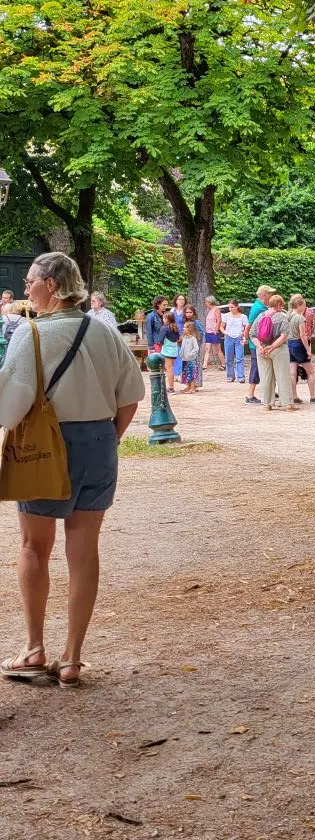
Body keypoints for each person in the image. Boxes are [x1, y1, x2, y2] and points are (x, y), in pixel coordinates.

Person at [0, 252, 144, 689]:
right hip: (99, 441)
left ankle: (34, 648)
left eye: (31, 281)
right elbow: (131, 394)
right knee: (84, 549)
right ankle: (72, 657)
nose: (26, 288)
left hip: (47, 447)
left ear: (52, 284)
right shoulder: (103, 332)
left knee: (33, 548)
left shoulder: (31, 336)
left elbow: (9, 407)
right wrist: (106, 439)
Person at [255, 294, 295, 411]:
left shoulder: (260, 316)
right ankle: (287, 403)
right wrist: (272, 346)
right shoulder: (281, 317)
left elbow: (252, 335)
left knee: (265, 377)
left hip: (262, 350)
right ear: (278, 305)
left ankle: (267, 404)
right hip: (278, 349)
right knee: (282, 376)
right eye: (281, 305)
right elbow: (284, 335)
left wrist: (260, 347)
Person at [287, 294, 315, 404]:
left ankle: (294, 396)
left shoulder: (288, 316)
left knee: (292, 372)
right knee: (310, 372)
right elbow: (303, 335)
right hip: (298, 344)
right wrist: (307, 349)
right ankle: (313, 396)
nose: (304, 308)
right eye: (303, 305)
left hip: (290, 344)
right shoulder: (300, 317)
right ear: (299, 305)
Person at [244, 285, 273, 405]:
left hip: (260, 342)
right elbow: (249, 325)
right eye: (270, 294)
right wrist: (246, 338)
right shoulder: (257, 308)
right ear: (264, 295)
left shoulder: (261, 306)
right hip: (256, 343)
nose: (271, 296)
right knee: (256, 368)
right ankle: (250, 395)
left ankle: (270, 391)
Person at [222, 299, 247, 383]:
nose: (230, 309)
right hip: (229, 337)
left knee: (239, 357)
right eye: (229, 307)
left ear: (237, 307)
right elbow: (221, 326)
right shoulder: (226, 316)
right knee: (228, 358)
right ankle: (230, 375)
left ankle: (241, 376)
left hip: (238, 337)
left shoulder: (243, 316)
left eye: (232, 307)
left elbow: (246, 327)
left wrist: (243, 334)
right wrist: (224, 332)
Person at [157, 309, 180, 393]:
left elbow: (160, 340)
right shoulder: (175, 327)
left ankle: (171, 387)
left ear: (166, 319)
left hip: (166, 350)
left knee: (169, 369)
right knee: (171, 368)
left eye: (163, 318)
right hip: (174, 350)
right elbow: (177, 339)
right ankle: (170, 386)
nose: (163, 319)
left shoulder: (164, 328)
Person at [203, 296, 224, 371]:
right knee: (207, 348)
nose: (205, 303)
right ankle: (204, 365)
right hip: (208, 332)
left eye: (206, 302)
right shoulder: (210, 310)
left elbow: (219, 320)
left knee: (218, 349)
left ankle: (223, 364)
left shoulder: (216, 309)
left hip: (214, 332)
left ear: (210, 302)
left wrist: (216, 329)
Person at [179, 321, 201, 393]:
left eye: (185, 327)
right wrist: (181, 354)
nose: (183, 328)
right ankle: (188, 387)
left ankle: (192, 388)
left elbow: (196, 348)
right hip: (184, 359)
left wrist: (190, 354)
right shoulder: (184, 337)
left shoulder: (193, 338)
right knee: (186, 373)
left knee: (191, 373)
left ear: (190, 329)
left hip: (191, 359)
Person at [171, 294, 186, 380]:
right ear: (176, 301)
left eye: (183, 299)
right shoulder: (173, 310)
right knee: (175, 354)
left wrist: (183, 335)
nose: (181, 301)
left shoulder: (185, 311)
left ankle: (181, 373)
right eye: (179, 299)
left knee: (182, 353)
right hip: (174, 334)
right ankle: (175, 374)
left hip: (183, 334)